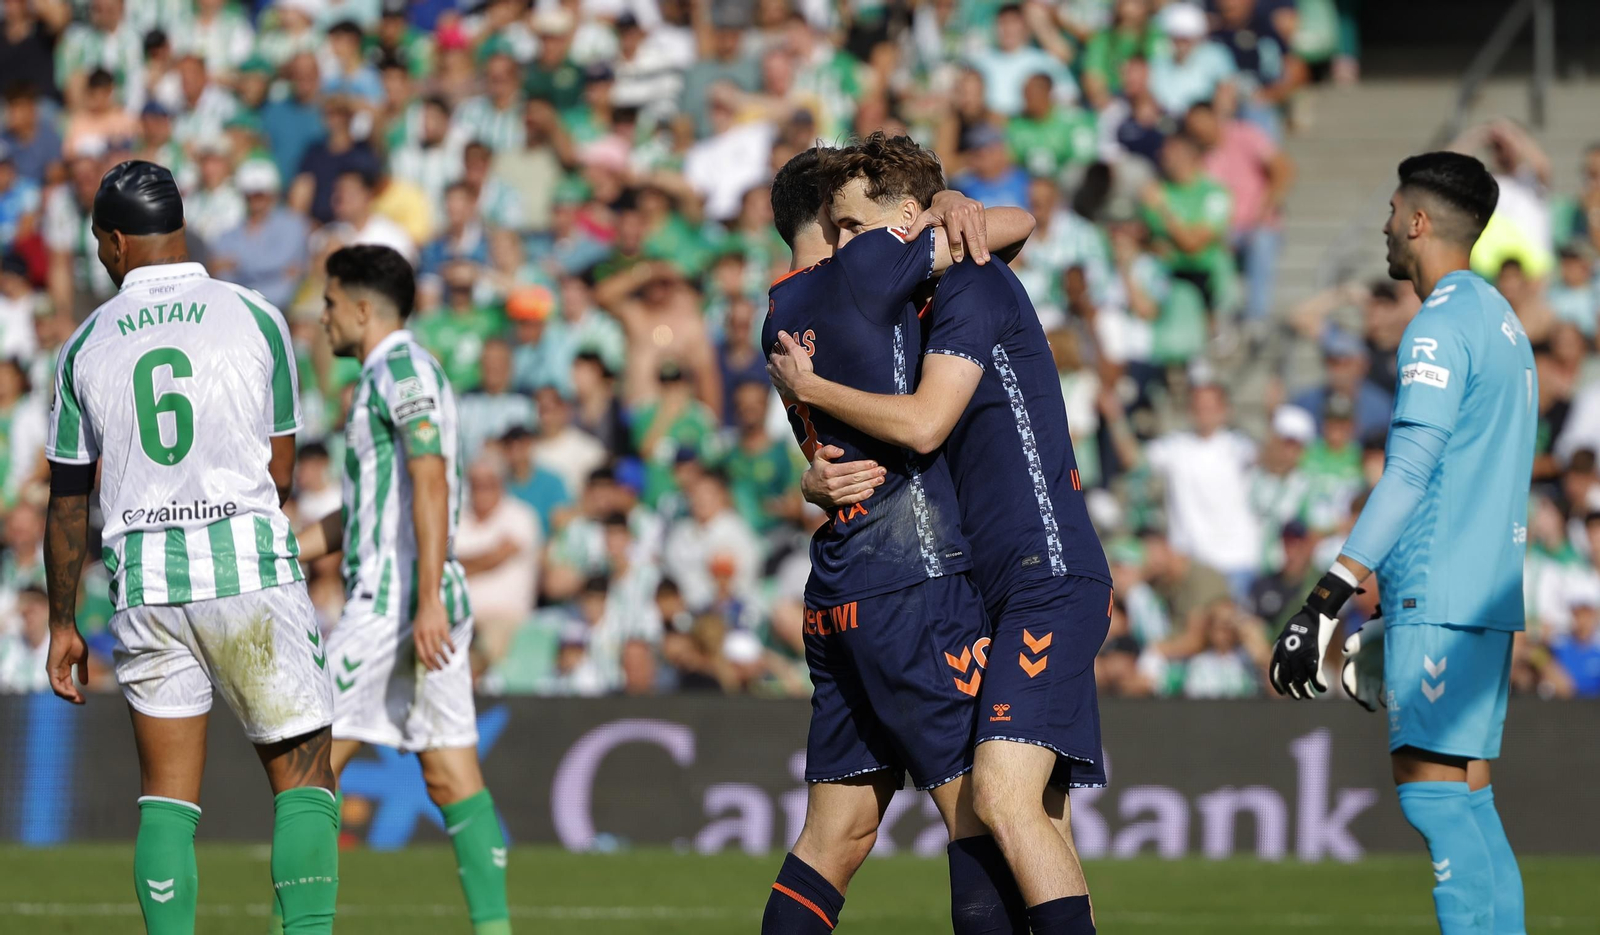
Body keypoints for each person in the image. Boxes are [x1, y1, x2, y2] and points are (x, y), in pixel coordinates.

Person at [771, 134, 1109, 935]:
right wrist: (815, 477)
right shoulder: (898, 306)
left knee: (996, 798)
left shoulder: (969, 286)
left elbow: (922, 424)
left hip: (1043, 569)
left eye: (858, 227)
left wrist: (965, 211)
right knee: (1031, 815)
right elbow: (851, 449)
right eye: (839, 229)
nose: (849, 248)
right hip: (971, 582)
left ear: (914, 219)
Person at [41, 160, 338, 933]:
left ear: (112, 241)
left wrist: (62, 622)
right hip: (246, 567)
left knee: (168, 801)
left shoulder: (83, 346)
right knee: (303, 782)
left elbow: (69, 502)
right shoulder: (256, 315)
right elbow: (278, 468)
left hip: (146, 582)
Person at [1271, 152, 1531, 935]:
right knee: (1471, 798)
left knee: (1430, 796)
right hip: (1489, 592)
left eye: (1391, 209)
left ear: (1418, 221)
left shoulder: (1439, 324)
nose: (1385, 224)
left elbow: (1410, 468)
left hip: (1440, 589)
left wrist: (1328, 595)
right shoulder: (1501, 321)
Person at [290, 244, 511, 935]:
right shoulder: (385, 377)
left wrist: (425, 600)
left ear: (361, 307)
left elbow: (430, 478)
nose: (322, 319)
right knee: (450, 775)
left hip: (396, 602)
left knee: (304, 773)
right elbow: (365, 511)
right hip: (416, 597)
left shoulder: (403, 368)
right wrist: (275, 552)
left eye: (328, 304)